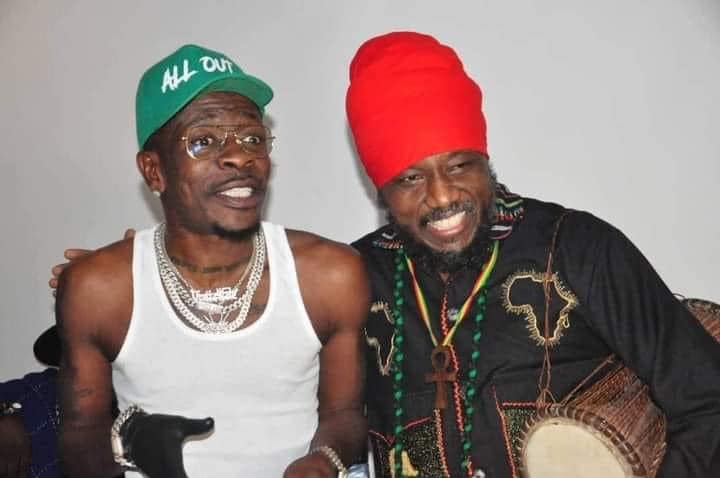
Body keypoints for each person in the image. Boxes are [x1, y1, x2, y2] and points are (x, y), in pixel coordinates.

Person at [345, 32, 720, 477]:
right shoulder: (354, 278)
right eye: (410, 178)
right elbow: (330, 422)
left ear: (485, 161)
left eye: (459, 166)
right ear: (382, 191)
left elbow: (707, 401)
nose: (443, 196)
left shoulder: (577, 248)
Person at [54, 44, 369, 478]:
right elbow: (81, 435)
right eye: (203, 141)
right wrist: (127, 457)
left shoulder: (330, 275)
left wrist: (323, 462)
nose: (240, 156)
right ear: (154, 171)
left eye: (253, 138)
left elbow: (345, 415)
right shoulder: (99, 289)